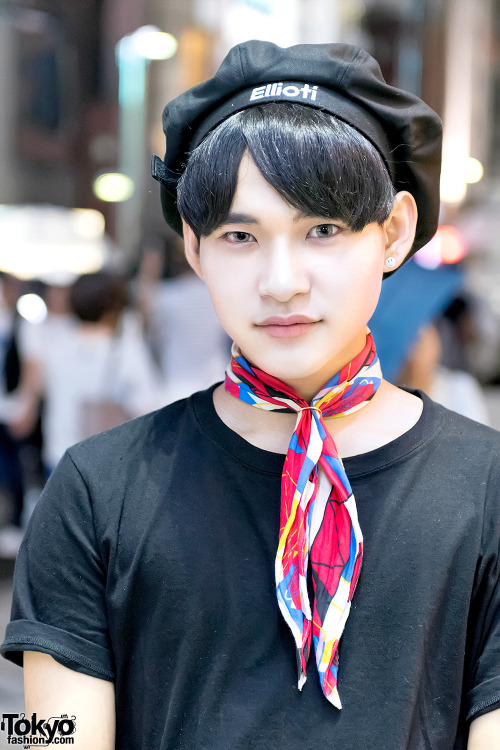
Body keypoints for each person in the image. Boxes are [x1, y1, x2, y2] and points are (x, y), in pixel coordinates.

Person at [2, 40, 500, 750]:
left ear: (392, 233)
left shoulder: (487, 489)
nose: (281, 280)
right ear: (195, 249)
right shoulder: (93, 491)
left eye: (322, 230)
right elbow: (45, 738)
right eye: (241, 235)